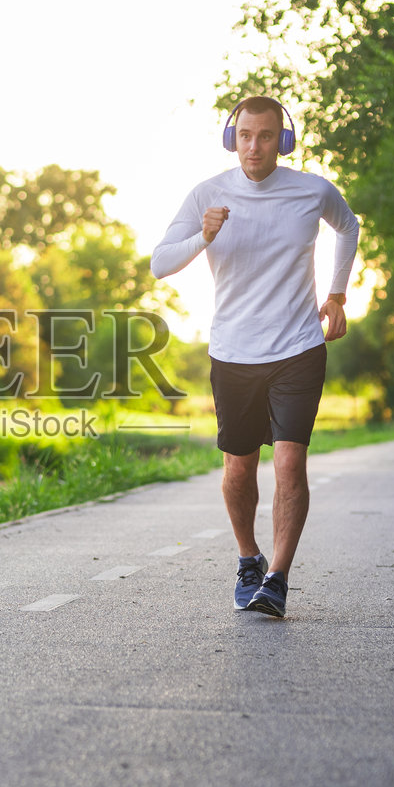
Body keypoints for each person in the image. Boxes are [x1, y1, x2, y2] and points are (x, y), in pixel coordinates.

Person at [150, 96, 360, 617]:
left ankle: (277, 579)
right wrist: (203, 236)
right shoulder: (208, 194)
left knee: (289, 462)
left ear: (282, 141)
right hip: (233, 353)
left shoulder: (312, 191)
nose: (254, 146)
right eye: (245, 135)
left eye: (266, 136)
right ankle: (249, 558)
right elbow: (159, 264)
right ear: (232, 138)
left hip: (298, 348)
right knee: (239, 469)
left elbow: (348, 226)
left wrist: (336, 294)